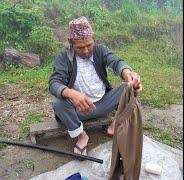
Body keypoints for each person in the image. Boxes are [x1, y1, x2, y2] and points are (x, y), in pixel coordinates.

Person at [49, 16, 142, 156]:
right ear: (71, 42)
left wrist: (128, 73)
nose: (86, 50)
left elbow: (116, 62)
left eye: (89, 45)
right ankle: (82, 136)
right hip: (78, 110)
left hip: (103, 104)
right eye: (80, 47)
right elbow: (54, 83)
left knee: (129, 88)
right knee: (58, 102)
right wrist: (72, 94)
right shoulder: (64, 56)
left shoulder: (100, 50)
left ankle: (115, 123)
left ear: (93, 39)